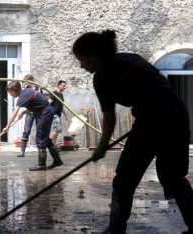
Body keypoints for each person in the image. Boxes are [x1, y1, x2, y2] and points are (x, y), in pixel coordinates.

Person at [72, 30, 193, 233]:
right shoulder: (129, 58)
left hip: (153, 120)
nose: (81, 65)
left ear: (93, 55)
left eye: (81, 59)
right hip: (177, 114)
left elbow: (109, 116)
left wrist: (101, 146)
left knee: (125, 178)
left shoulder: (102, 75)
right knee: (174, 178)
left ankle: (115, 230)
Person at [3, 80, 63, 171]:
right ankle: (57, 160)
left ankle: (42, 165)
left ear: (15, 90)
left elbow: (14, 113)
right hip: (44, 111)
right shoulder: (26, 92)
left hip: (45, 112)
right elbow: (37, 103)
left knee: (40, 137)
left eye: (10, 92)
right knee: (44, 138)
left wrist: (7, 127)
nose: (10, 94)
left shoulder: (23, 95)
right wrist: (23, 112)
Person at [17, 74, 41, 157]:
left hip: (38, 112)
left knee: (39, 131)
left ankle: (40, 151)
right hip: (29, 112)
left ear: (32, 81)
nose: (26, 84)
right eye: (25, 82)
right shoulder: (25, 90)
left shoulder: (38, 88)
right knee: (26, 131)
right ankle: (22, 151)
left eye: (27, 82)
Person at [48, 80, 68, 145]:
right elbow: (49, 102)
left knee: (57, 130)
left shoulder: (61, 95)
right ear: (59, 85)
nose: (65, 87)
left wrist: (66, 115)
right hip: (54, 114)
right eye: (63, 86)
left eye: (65, 86)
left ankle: (53, 145)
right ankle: (49, 143)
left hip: (58, 115)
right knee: (57, 129)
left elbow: (61, 106)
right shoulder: (54, 93)